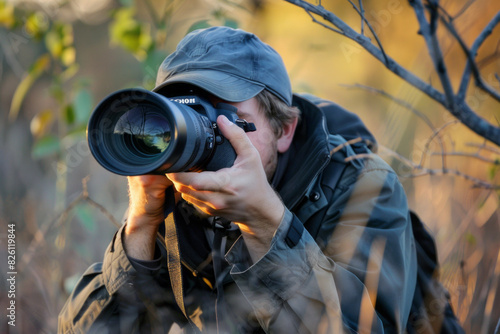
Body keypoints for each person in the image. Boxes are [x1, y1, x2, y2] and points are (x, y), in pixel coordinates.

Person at [59, 26, 417, 333]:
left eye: (228, 119)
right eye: (189, 117)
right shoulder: (174, 194)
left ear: (285, 129)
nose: (208, 137)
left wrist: (265, 223)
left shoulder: (360, 186)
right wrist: (140, 225)